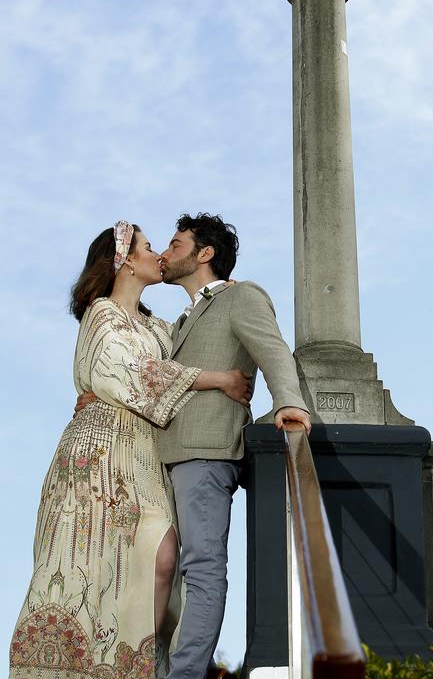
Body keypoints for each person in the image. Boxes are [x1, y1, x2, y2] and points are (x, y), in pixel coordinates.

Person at [9, 222, 252, 679]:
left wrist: (221, 295)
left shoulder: (160, 327)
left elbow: (191, 341)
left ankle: (137, 669)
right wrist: (219, 379)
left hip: (146, 456)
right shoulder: (102, 314)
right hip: (97, 457)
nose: (157, 253)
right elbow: (132, 374)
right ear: (123, 260)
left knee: (161, 557)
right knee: (95, 571)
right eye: (146, 247)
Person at [154, 212, 312, 679]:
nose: (167, 251)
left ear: (205, 254)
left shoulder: (242, 296)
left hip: (206, 453)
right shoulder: (178, 320)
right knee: (164, 576)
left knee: (201, 568)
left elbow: (273, 350)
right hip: (162, 458)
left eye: (176, 243)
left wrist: (288, 401)